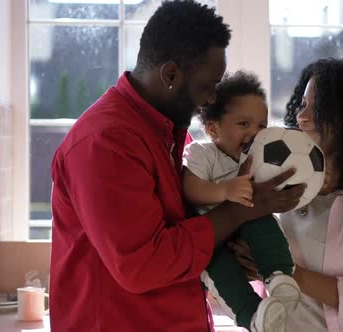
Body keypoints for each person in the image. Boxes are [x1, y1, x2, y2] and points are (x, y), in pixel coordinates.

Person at [49, 1, 305, 331]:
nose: (213, 98)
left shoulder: (169, 137)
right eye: (207, 86)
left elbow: (188, 238)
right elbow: (142, 266)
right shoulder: (106, 143)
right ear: (170, 75)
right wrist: (243, 209)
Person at [230, 58, 343, 332]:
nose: (301, 117)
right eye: (303, 105)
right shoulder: (279, 180)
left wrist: (283, 270)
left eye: (317, 109)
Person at [182, 71, 301, 332]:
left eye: (261, 125)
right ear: (213, 129)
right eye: (243, 124)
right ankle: (253, 318)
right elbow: (190, 189)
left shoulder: (260, 158)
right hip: (210, 239)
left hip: (246, 228)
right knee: (221, 273)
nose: (254, 133)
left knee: (265, 223)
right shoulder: (203, 153)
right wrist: (225, 191)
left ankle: (279, 277)